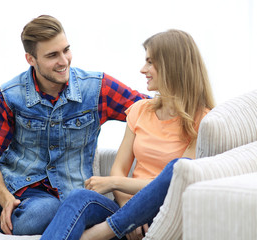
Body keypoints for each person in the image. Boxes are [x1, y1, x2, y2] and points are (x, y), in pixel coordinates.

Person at [0, 15, 148, 236]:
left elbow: (150, 110)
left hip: (55, 198)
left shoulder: (98, 89)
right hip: (4, 186)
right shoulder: (9, 95)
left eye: (66, 50)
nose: (64, 61)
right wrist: (5, 199)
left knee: (35, 218)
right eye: (52, 55)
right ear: (30, 59)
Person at [40, 29, 215, 240]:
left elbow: (175, 182)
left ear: (172, 65)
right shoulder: (140, 110)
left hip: (165, 211)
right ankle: (119, 224)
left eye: (150, 62)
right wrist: (128, 210)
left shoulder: (203, 120)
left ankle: (103, 232)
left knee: (176, 169)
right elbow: (119, 168)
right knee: (79, 197)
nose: (143, 69)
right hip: (127, 209)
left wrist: (114, 183)